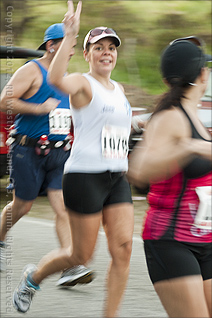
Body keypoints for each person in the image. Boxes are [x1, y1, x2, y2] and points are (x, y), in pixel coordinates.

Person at [12, 1, 134, 317]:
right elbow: (55, 80)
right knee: (80, 254)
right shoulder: (81, 82)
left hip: (116, 177)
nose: (106, 52)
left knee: (123, 249)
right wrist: (70, 34)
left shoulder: (119, 90)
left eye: (111, 47)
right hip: (84, 178)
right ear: (87, 54)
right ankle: (33, 277)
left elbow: (113, 129)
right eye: (98, 47)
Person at [0, 22, 94, 286]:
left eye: (74, 47)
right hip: (27, 149)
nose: (72, 52)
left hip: (58, 153)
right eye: (67, 45)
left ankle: (70, 266)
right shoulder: (32, 70)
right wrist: (40, 108)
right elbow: (4, 101)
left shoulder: (66, 79)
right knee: (23, 206)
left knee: (63, 207)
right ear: (52, 46)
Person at [128, 36, 212, 317]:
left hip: (205, 239)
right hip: (171, 241)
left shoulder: (195, 116)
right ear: (202, 74)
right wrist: (188, 148)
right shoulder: (170, 117)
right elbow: (138, 171)